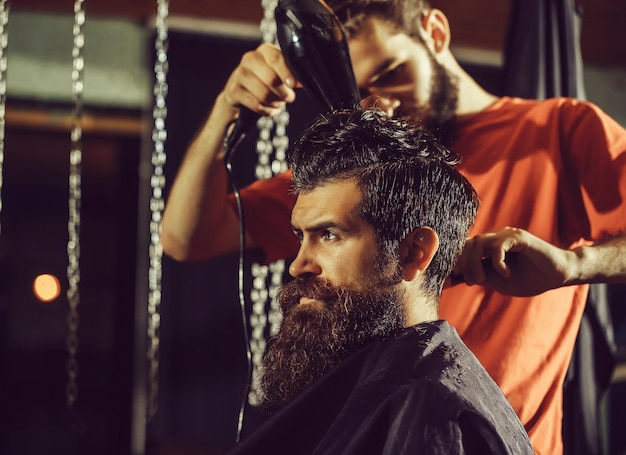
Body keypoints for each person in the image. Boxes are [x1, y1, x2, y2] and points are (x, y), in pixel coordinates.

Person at [161, 1, 626, 453]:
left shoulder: (558, 131)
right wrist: (225, 109)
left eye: (390, 73)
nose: (383, 103)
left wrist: (573, 264)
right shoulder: (364, 179)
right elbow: (186, 237)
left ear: (435, 31)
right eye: (363, 92)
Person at [226, 108, 533, 455]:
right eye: (300, 236)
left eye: (329, 234)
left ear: (413, 253)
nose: (298, 266)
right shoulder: (372, 381)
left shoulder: (436, 414)